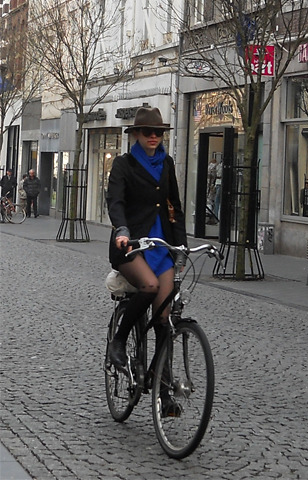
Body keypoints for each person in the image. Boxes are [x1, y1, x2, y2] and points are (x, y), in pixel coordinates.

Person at [106, 107, 187, 414]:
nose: (154, 137)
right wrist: (122, 230)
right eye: (148, 132)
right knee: (150, 286)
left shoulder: (166, 164)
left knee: (165, 319)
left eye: (159, 133)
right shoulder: (124, 165)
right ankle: (119, 340)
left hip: (161, 245)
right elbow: (115, 201)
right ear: (136, 135)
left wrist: (181, 247)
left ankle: (163, 390)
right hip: (130, 245)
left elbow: (174, 207)